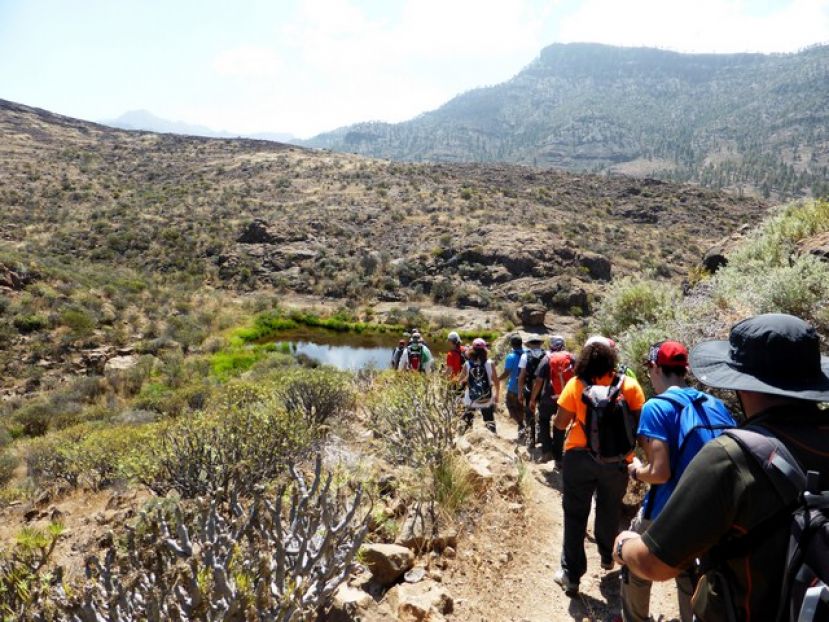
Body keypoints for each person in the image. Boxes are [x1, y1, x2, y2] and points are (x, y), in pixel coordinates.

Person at [612, 313, 829, 621]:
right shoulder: (715, 407)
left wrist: (623, 546)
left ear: (744, 382)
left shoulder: (732, 456)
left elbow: (653, 564)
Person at [620, 340, 735, 622]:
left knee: (633, 557)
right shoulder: (715, 404)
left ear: (656, 368)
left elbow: (660, 473)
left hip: (667, 511)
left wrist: (636, 471)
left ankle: (635, 618)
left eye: (649, 370)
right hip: (713, 511)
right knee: (692, 574)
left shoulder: (657, 407)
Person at [553, 338, 646, 595]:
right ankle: (608, 556)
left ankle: (571, 576)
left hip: (579, 457)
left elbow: (560, 424)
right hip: (616, 462)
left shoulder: (576, 384)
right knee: (609, 509)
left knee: (574, 515)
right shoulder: (629, 385)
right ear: (612, 360)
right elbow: (640, 427)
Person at [529, 335, 574, 464]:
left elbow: (538, 381)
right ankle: (558, 458)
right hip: (566, 397)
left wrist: (533, 399)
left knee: (543, 421)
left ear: (551, 346)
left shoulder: (547, 359)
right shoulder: (572, 358)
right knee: (560, 426)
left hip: (548, 397)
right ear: (563, 345)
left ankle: (547, 451)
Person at [459, 338, 500, 433]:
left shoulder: (467, 364)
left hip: (470, 399)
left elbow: (460, 381)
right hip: (486, 398)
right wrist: (497, 394)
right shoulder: (490, 363)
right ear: (485, 350)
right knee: (489, 422)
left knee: (467, 423)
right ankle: (493, 436)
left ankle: (464, 438)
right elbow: (496, 381)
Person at [518, 336, 547, 449]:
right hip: (545, 388)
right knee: (544, 414)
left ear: (529, 344)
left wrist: (520, 393)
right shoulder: (547, 355)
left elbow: (521, 376)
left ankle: (532, 440)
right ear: (540, 343)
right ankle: (543, 439)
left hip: (530, 387)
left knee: (530, 413)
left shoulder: (525, 356)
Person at [500, 334, 526, 436]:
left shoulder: (511, 356)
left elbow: (506, 373)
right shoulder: (527, 355)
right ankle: (523, 425)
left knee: (510, 405)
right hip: (526, 388)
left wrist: (497, 379)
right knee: (521, 407)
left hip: (514, 388)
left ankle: (521, 424)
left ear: (511, 344)